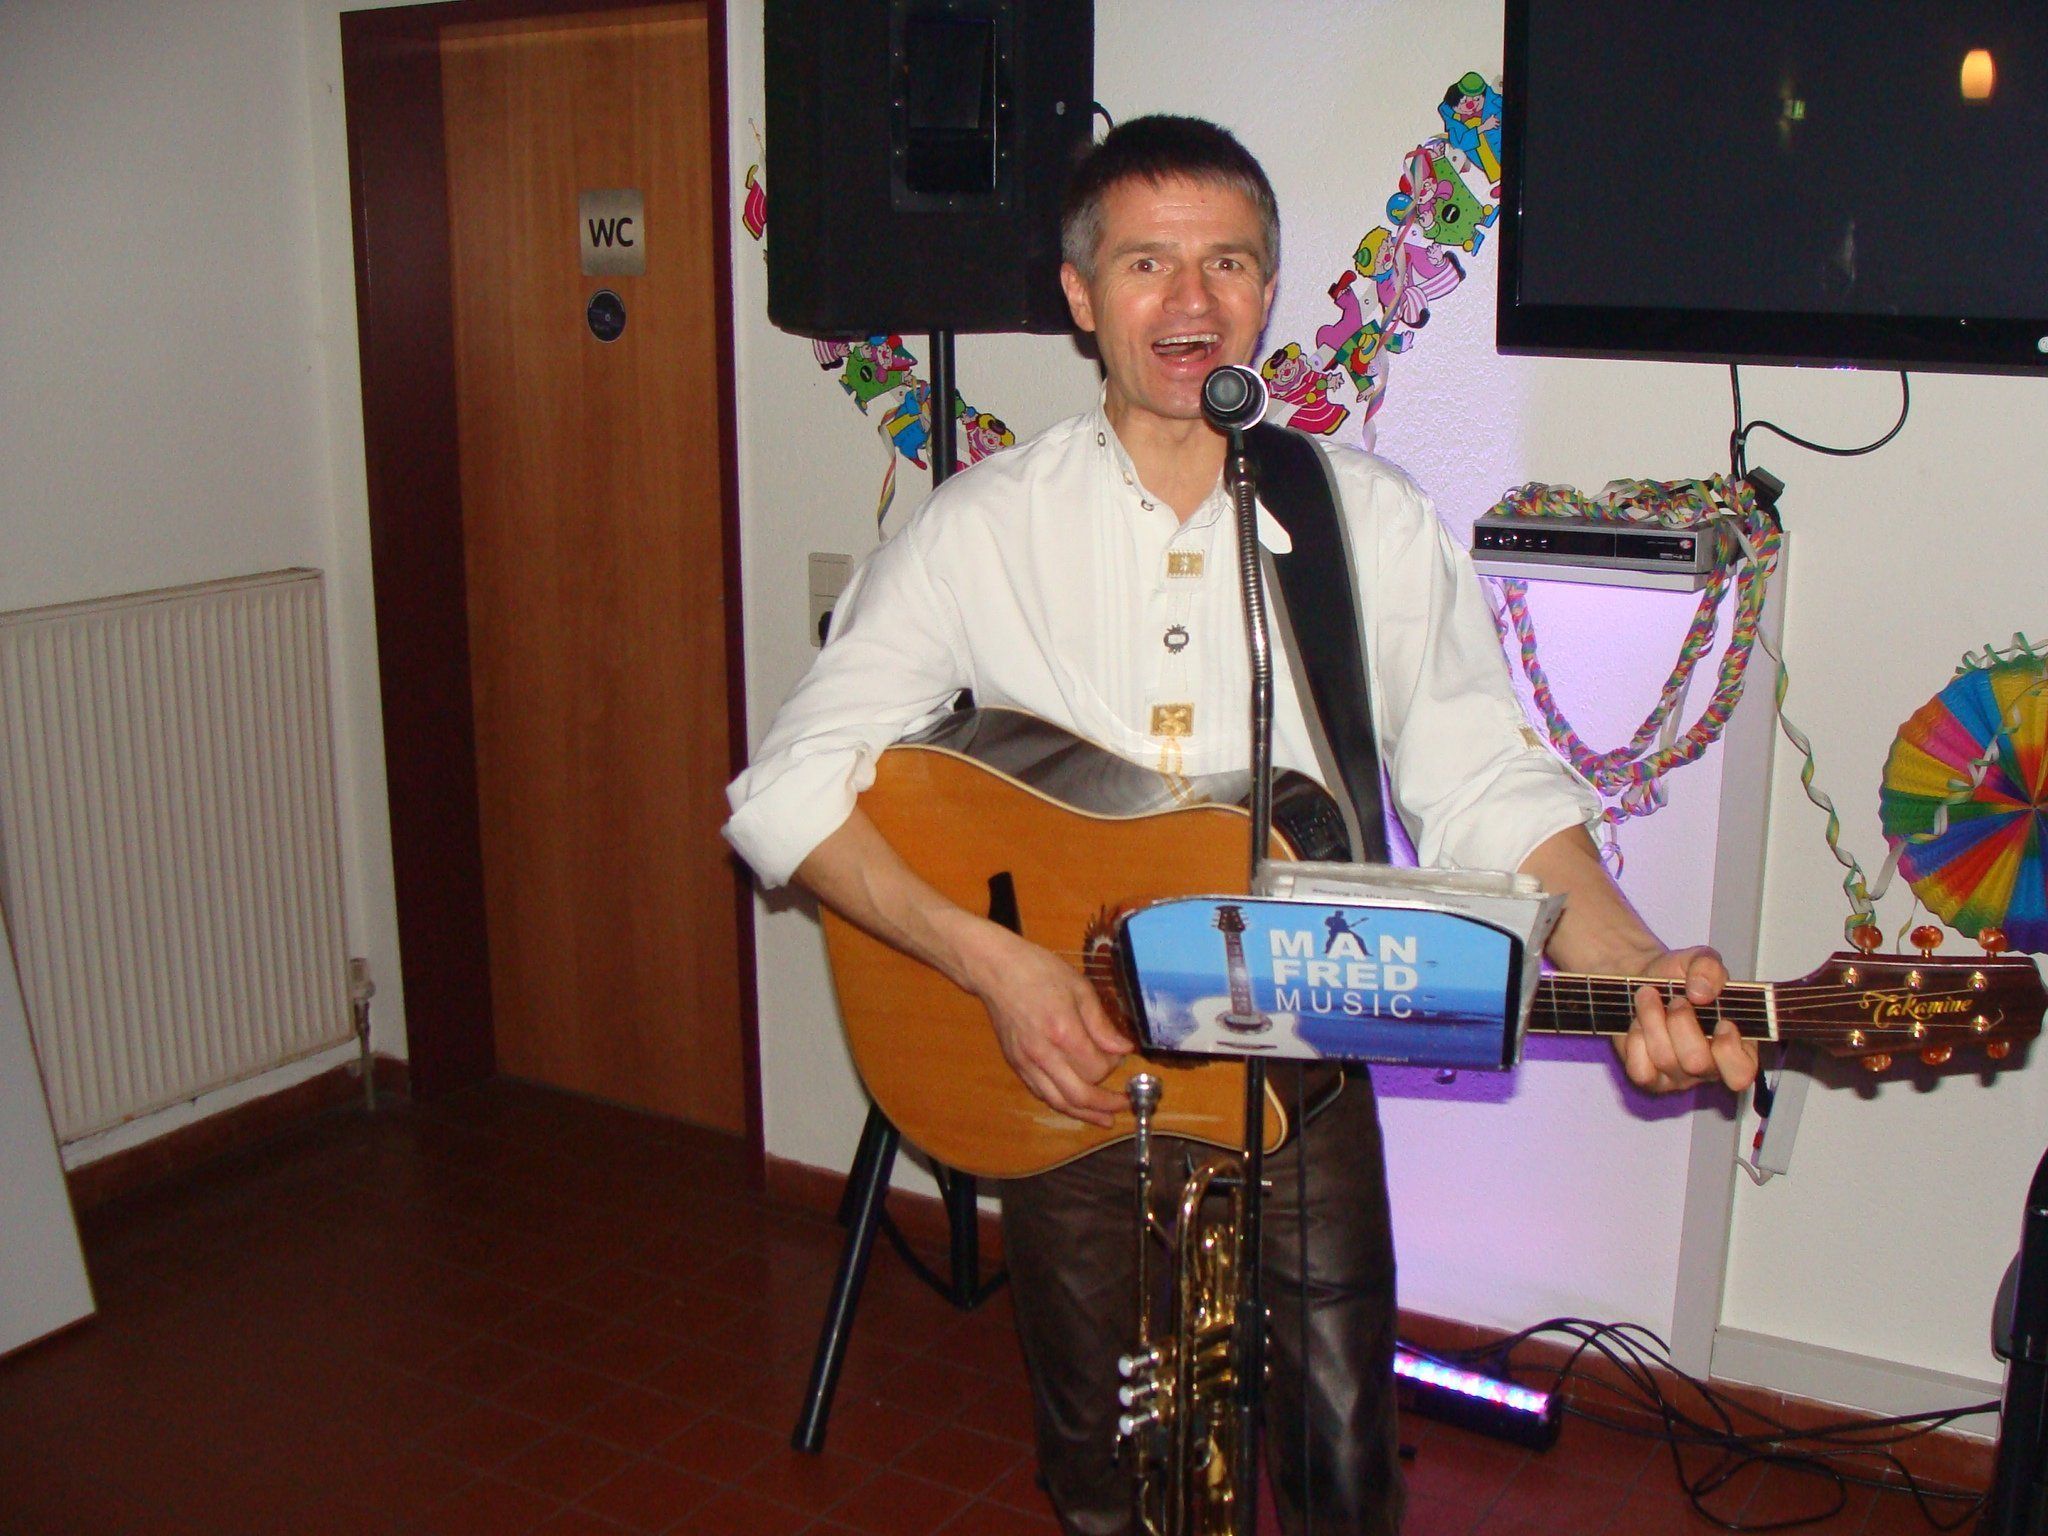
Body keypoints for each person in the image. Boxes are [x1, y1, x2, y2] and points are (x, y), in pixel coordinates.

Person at [726, 115, 1759, 1536]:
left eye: (1227, 262)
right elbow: (786, 788)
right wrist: (994, 964)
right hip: (1070, 1075)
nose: (1191, 300)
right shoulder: (982, 526)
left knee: (1341, 1463)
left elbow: (1486, 785)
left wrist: (1633, 959)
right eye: (1146, 262)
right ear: (1081, 295)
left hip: (1299, 1073)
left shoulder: (1363, 521)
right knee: (1108, 1475)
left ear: (1269, 290)